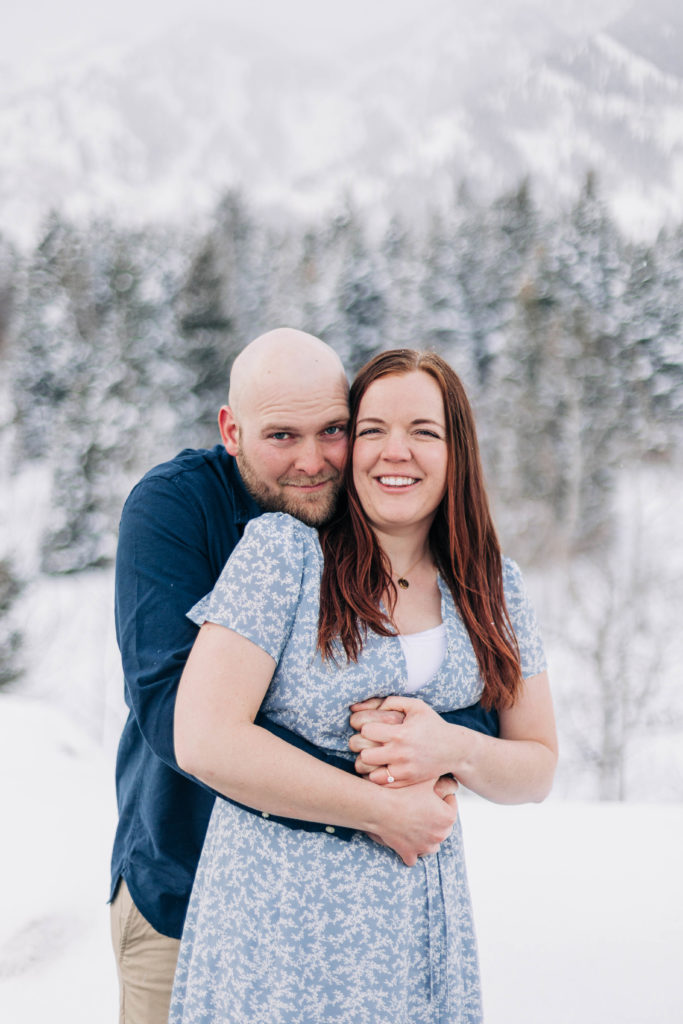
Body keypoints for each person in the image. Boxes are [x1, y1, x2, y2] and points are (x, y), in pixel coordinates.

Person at [109, 329, 497, 1024]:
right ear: (231, 430)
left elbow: (450, 691)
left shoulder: (369, 506)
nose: (312, 461)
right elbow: (180, 721)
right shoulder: (175, 510)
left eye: (334, 431)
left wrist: (434, 745)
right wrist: (381, 798)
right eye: (281, 436)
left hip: (344, 914)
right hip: (184, 879)